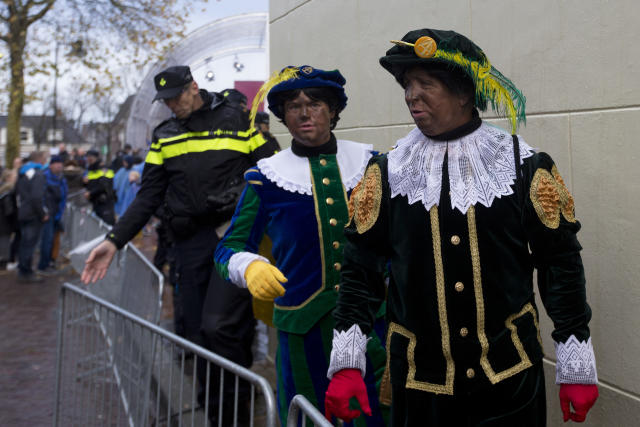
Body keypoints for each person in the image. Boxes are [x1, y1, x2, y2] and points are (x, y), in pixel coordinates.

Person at [324, 29, 599, 426]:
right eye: (407, 84)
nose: (411, 95)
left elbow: (560, 264)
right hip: (421, 389)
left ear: (465, 94)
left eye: (426, 83)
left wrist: (576, 361)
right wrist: (348, 362)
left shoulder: (522, 167)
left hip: (510, 382)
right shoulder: (387, 173)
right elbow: (360, 271)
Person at [80, 64, 278, 423]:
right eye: (165, 101)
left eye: (175, 97)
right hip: (189, 243)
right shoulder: (164, 134)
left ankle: (235, 409)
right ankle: (213, 408)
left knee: (222, 327)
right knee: (196, 333)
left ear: (193, 87)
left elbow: (274, 170)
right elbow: (148, 196)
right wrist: (114, 241)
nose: (171, 105)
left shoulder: (239, 120)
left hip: (232, 238)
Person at [215, 65, 388, 426]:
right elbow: (228, 247)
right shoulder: (266, 178)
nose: (305, 112)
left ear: (333, 110)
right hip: (302, 336)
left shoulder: (371, 165)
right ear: (283, 115)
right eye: (293, 105)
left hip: (374, 329)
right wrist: (249, 266)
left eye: (315, 103)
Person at [15, 151, 49, 282]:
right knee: (30, 244)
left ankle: (23, 269)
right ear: (40, 159)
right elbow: (36, 197)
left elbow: (17, 193)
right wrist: (43, 213)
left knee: (24, 243)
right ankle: (26, 272)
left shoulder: (22, 172)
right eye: (45, 158)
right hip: (33, 214)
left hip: (23, 212)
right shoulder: (38, 174)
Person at [37, 155, 67, 274]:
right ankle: (43, 265)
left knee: (54, 240)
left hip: (57, 213)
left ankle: (50, 262)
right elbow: (41, 196)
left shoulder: (61, 179)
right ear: (51, 165)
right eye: (56, 163)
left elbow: (64, 196)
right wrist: (44, 211)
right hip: (48, 214)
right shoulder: (45, 177)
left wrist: (60, 212)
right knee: (47, 240)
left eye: (60, 163)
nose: (59, 165)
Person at [84, 149, 116, 225]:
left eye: (90, 157)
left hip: (104, 203)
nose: (88, 159)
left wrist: (90, 193)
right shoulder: (91, 169)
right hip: (95, 203)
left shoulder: (104, 169)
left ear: (96, 158)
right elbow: (92, 184)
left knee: (107, 225)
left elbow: (104, 186)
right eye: (87, 157)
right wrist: (85, 183)